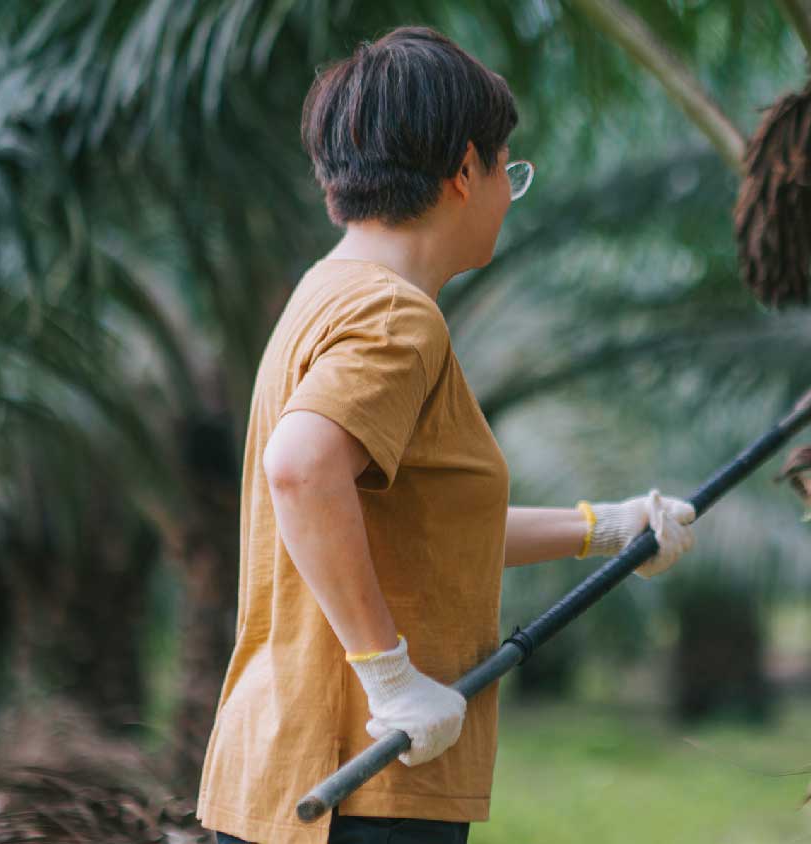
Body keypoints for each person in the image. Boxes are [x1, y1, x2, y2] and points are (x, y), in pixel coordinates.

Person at [196, 25, 699, 844]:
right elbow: (300, 470)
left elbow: (414, 531)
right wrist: (389, 677)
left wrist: (604, 527)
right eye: (511, 168)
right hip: (364, 779)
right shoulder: (396, 316)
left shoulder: (326, 293)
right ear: (467, 170)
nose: (509, 191)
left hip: (290, 761)